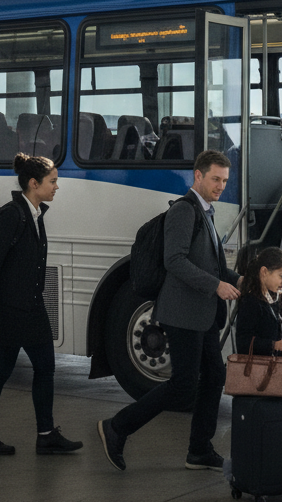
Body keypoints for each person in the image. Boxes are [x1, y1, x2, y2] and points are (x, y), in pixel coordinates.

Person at [98, 150, 241, 471]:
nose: (221, 186)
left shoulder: (206, 212)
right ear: (198, 176)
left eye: (225, 181)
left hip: (201, 313)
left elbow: (213, 265)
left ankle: (200, 450)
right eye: (215, 179)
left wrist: (240, 280)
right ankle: (117, 427)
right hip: (182, 314)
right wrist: (216, 286)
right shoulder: (184, 211)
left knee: (214, 376)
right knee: (183, 386)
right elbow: (174, 261)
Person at [0, 153, 83, 455]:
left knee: (44, 368)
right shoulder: (12, 215)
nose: (56, 187)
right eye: (52, 181)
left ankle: (45, 434)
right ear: (33, 184)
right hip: (10, 312)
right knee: (1, 372)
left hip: (31, 308)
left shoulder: (33, 213)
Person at [235, 247, 282, 357]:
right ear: (264, 271)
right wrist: (275, 345)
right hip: (257, 368)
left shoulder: (272, 297)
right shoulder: (251, 302)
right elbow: (243, 342)